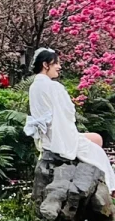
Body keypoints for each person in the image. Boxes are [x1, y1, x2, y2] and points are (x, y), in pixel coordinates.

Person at [25, 48, 115, 190]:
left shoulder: (34, 87)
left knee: (96, 139)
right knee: (98, 145)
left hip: (47, 139)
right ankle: (110, 189)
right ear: (45, 65)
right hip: (60, 139)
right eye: (56, 63)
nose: (59, 67)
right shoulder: (54, 87)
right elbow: (69, 113)